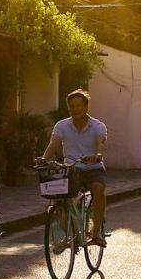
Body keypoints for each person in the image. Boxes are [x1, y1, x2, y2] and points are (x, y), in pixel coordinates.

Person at [36, 88, 108, 247]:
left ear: (86, 107)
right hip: (71, 170)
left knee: (98, 188)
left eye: (78, 106)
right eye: (71, 106)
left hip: (92, 168)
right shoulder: (61, 126)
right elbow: (53, 145)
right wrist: (43, 159)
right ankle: (72, 234)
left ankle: (96, 233)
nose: (74, 109)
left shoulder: (98, 126)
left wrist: (96, 155)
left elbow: (100, 144)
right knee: (57, 198)